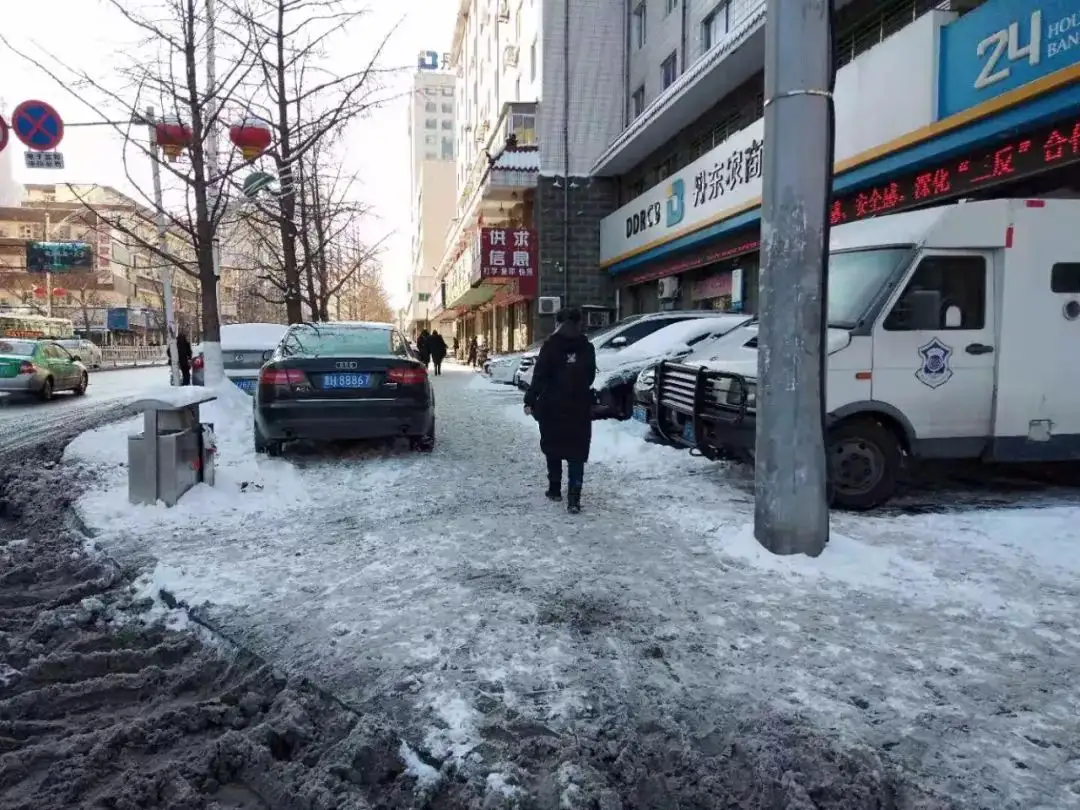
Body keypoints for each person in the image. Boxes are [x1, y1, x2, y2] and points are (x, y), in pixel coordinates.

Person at [523, 308, 596, 514]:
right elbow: (590, 377)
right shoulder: (587, 347)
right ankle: (574, 498)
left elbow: (539, 376)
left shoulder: (550, 346)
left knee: (553, 446)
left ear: (559, 323)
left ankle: (554, 489)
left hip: (552, 405)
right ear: (578, 323)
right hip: (579, 406)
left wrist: (530, 398)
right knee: (577, 452)